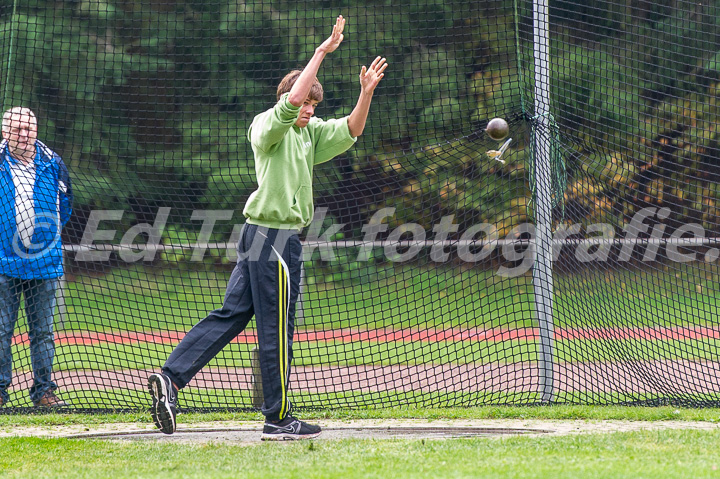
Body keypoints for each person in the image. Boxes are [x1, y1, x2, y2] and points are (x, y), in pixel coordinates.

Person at [148, 15, 387, 440]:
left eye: (314, 106)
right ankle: (277, 418)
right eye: (303, 104)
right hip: (270, 237)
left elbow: (350, 130)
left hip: (273, 239)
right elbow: (291, 103)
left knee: (232, 315)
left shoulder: (308, 133)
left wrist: (365, 93)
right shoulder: (267, 127)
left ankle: (170, 377)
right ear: (287, 99)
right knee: (276, 326)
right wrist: (321, 52)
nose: (309, 110)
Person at [0, 107, 72, 408]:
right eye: (17, 129)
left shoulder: (53, 162)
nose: (24, 134)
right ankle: (0, 391)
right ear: (5, 132)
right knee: (2, 332)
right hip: (3, 263)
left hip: (46, 263)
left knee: (43, 333)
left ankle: (44, 392)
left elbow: (64, 207)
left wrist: (43, 239)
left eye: (29, 128)